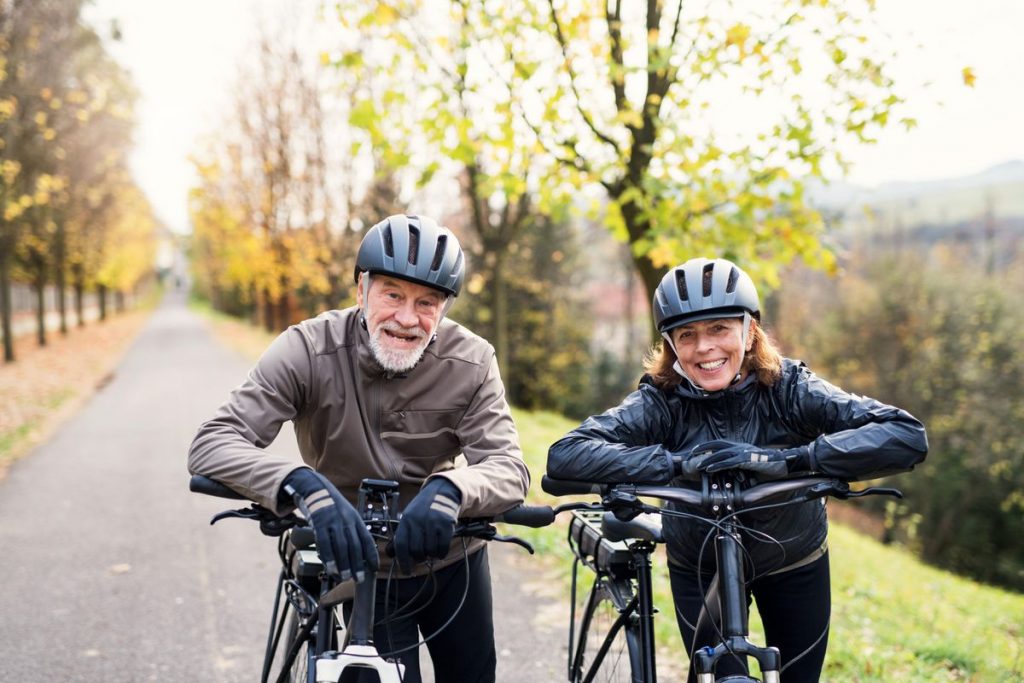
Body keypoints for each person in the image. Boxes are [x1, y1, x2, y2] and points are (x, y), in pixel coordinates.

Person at [546, 257, 927, 682]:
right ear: (671, 345)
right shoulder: (662, 401)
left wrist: (793, 460)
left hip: (792, 559)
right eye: (686, 335)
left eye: (719, 329)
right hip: (699, 562)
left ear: (749, 332)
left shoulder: (789, 388)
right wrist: (673, 463)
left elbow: (904, 434)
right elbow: (566, 454)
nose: (704, 347)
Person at [189, 214, 529, 683]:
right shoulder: (307, 349)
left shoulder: (472, 361)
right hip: (361, 559)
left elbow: (509, 467)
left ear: (445, 310)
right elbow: (212, 442)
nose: (408, 318)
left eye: (427, 302)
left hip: (453, 557)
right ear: (361, 290)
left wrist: (453, 489)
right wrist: (300, 485)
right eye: (392, 295)